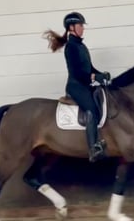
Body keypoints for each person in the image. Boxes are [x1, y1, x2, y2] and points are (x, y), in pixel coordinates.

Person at [43, 12, 111, 162]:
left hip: (84, 84)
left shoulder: (81, 46)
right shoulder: (71, 47)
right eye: (80, 25)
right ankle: (93, 148)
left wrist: (101, 75)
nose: (83, 28)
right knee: (91, 108)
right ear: (72, 27)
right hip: (76, 86)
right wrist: (94, 78)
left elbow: (89, 68)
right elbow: (77, 73)